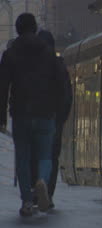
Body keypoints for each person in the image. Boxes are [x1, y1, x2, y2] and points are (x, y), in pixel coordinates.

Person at [0, 13, 63, 217]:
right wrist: (56, 111)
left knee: (23, 157)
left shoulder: (10, 54)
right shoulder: (47, 52)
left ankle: (27, 200)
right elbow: (59, 83)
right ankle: (42, 181)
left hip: (21, 114)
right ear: (35, 28)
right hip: (46, 113)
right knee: (45, 155)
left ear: (17, 29)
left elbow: (2, 88)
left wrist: (1, 118)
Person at [30, 30, 73, 209]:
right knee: (51, 157)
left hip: (32, 118)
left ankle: (33, 191)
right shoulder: (59, 66)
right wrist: (61, 118)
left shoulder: (30, 65)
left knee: (33, 155)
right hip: (53, 119)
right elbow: (67, 95)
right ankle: (48, 191)